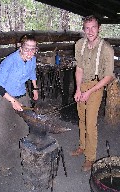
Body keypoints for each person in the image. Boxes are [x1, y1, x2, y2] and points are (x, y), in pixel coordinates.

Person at [71, 15, 114, 171]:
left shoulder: (107, 49)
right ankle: (82, 146)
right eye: (87, 28)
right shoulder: (79, 44)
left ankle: (90, 157)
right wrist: (78, 88)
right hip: (82, 84)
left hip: (96, 85)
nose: (90, 31)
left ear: (99, 28)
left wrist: (89, 91)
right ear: (84, 29)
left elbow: (108, 76)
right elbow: (79, 69)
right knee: (81, 118)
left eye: (93, 27)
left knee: (90, 122)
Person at [0, 34, 39, 176]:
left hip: (22, 95)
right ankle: (4, 164)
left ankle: (22, 157)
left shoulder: (32, 59)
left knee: (23, 128)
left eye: (33, 49)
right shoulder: (9, 62)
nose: (30, 52)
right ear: (21, 47)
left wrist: (35, 88)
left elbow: (32, 73)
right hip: (6, 97)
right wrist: (13, 101)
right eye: (27, 49)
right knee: (6, 132)